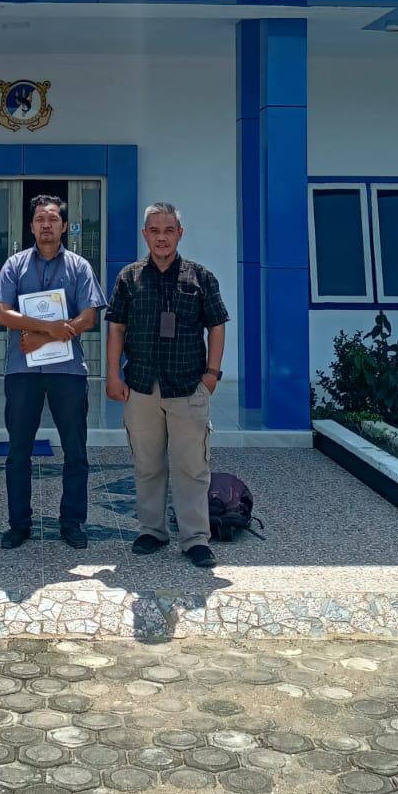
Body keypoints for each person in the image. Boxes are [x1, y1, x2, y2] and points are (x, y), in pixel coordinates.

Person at [106, 202, 228, 567]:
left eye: (169, 231)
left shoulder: (200, 277)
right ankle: (151, 531)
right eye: (155, 231)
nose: (162, 238)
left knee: (192, 467)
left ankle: (195, 538)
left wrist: (212, 374)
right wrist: (113, 374)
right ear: (145, 235)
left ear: (179, 234)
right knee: (147, 464)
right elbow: (116, 328)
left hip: (188, 386)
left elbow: (217, 325)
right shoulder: (129, 277)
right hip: (142, 386)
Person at [0, 194, 107, 550]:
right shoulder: (15, 265)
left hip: (67, 372)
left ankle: (72, 523)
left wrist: (43, 337)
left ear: (64, 225)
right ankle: (18, 524)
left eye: (53, 219)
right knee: (18, 451)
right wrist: (47, 328)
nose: (46, 224)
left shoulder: (79, 266)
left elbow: (88, 317)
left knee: (75, 451)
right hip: (22, 371)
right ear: (31, 226)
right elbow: (2, 314)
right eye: (40, 218)